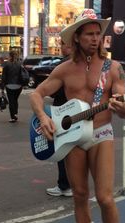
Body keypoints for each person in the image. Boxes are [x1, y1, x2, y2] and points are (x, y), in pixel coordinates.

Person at [30, 8, 125, 223]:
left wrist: (122, 105)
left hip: (102, 132)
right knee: (78, 195)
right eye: (89, 33)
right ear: (77, 37)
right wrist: (43, 118)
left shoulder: (114, 68)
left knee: (105, 197)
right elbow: (37, 94)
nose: (95, 38)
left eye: (98, 33)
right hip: (73, 138)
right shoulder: (64, 69)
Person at [46, 41, 73, 197]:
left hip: (62, 110)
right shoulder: (83, 63)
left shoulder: (63, 65)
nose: (61, 47)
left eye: (63, 44)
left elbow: (52, 90)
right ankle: (72, 184)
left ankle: (64, 185)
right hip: (77, 110)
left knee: (61, 149)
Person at [1, 50, 23, 123]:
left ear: (10, 56)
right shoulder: (20, 64)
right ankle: (15, 113)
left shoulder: (6, 64)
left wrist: (2, 87)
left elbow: (3, 76)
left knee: (11, 101)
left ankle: (13, 117)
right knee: (15, 100)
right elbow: (22, 75)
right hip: (18, 85)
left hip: (9, 85)